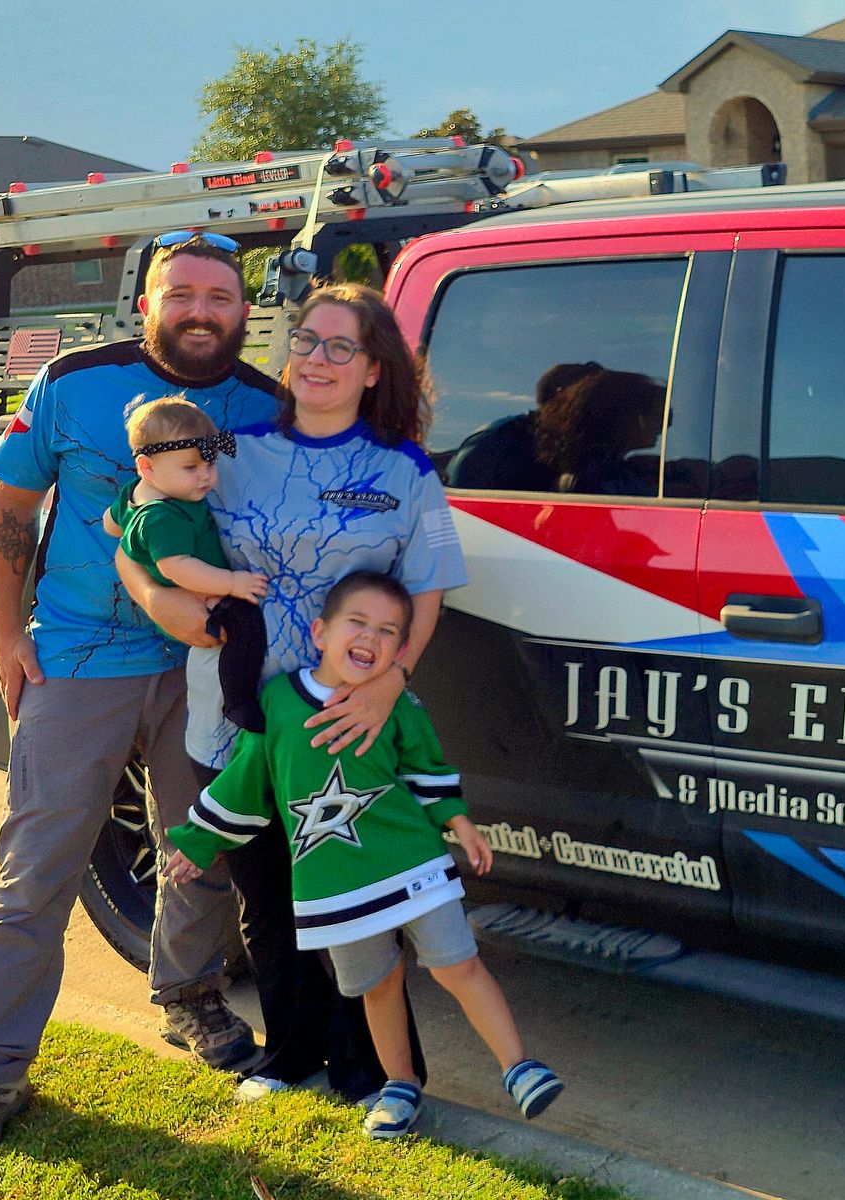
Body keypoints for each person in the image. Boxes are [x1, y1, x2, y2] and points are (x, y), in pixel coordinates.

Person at [0, 231, 274, 1168]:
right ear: (149, 304)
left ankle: (191, 996)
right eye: (183, 293)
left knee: (196, 844)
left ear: (244, 311)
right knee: (37, 867)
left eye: (220, 295)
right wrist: (6, 636)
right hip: (77, 661)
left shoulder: (265, 405)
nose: (201, 310)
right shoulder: (76, 382)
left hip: (200, 668)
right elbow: (9, 511)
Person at [118, 282, 465, 1106]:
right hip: (234, 722)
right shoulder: (224, 451)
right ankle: (291, 1050)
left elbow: (429, 589)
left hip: (343, 725)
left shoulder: (405, 469)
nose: (316, 359)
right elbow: (130, 524)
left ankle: (375, 1072)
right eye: (305, 340)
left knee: (351, 902)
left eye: (340, 347)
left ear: (375, 368)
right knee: (268, 899)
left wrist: (391, 683)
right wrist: (156, 597)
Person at [164, 571, 564, 1139]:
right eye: (358, 623)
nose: (371, 638)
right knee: (376, 985)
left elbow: (428, 769)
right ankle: (399, 1086)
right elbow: (247, 781)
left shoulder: (397, 702)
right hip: (335, 887)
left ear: (401, 650)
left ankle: (518, 1066)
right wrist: (201, 840)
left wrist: (461, 824)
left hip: (414, 867)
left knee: (460, 965)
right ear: (320, 631)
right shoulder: (278, 701)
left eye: (388, 631)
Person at [104, 395, 269, 732]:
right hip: (194, 595)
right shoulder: (165, 516)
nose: (205, 477)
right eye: (191, 468)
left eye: (209, 464)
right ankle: (239, 700)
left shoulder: (136, 493)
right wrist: (233, 583)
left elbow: (110, 523)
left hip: (190, 592)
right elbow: (175, 567)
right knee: (247, 626)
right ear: (147, 467)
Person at [445, 360, 602, 491]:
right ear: (559, 397)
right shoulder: (498, 447)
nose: (598, 412)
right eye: (587, 399)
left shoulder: (575, 447)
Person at [533, 368, 667, 495]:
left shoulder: (611, 472)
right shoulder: (597, 481)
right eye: (658, 414)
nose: (666, 424)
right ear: (622, 417)